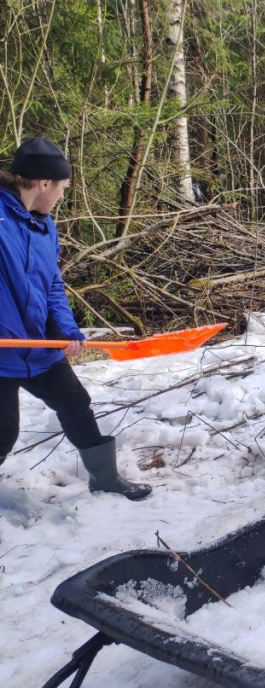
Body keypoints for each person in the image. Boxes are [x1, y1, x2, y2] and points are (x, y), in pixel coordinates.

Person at [0, 138, 151, 499]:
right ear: (44, 183)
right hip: (2, 354)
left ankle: (105, 478)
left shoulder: (43, 226)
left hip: (38, 345)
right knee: (4, 433)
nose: (63, 197)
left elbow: (52, 284)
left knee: (74, 402)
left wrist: (65, 330)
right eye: (63, 188)